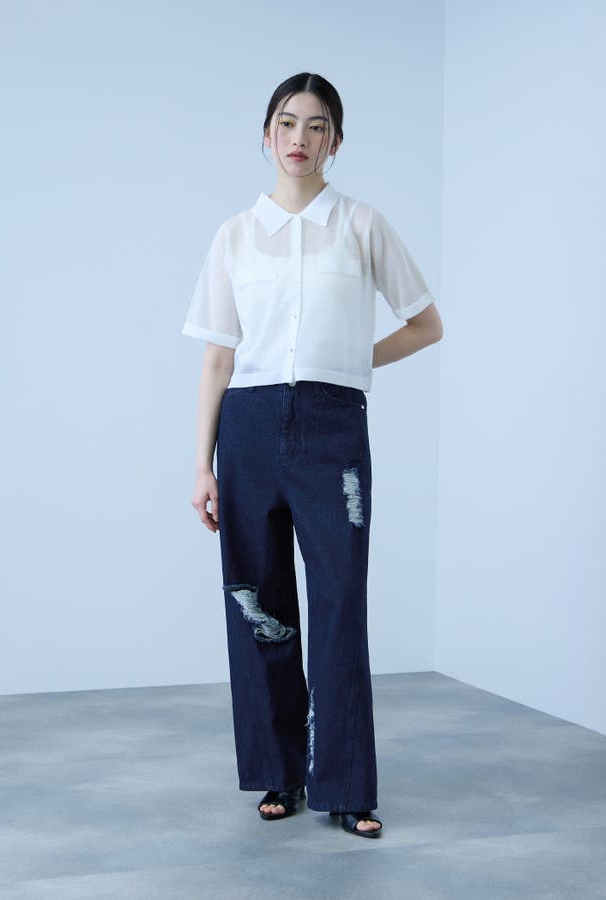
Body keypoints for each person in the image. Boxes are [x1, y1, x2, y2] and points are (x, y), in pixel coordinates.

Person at [181, 72, 443, 839]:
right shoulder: (234, 235)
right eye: (288, 123)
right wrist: (201, 465)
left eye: (317, 125)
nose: (300, 137)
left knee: (338, 606)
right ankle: (278, 771)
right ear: (266, 136)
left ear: (336, 141)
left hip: (332, 429)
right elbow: (217, 359)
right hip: (248, 427)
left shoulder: (361, 225)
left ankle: (348, 786)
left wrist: (352, 361)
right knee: (258, 604)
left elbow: (426, 324)